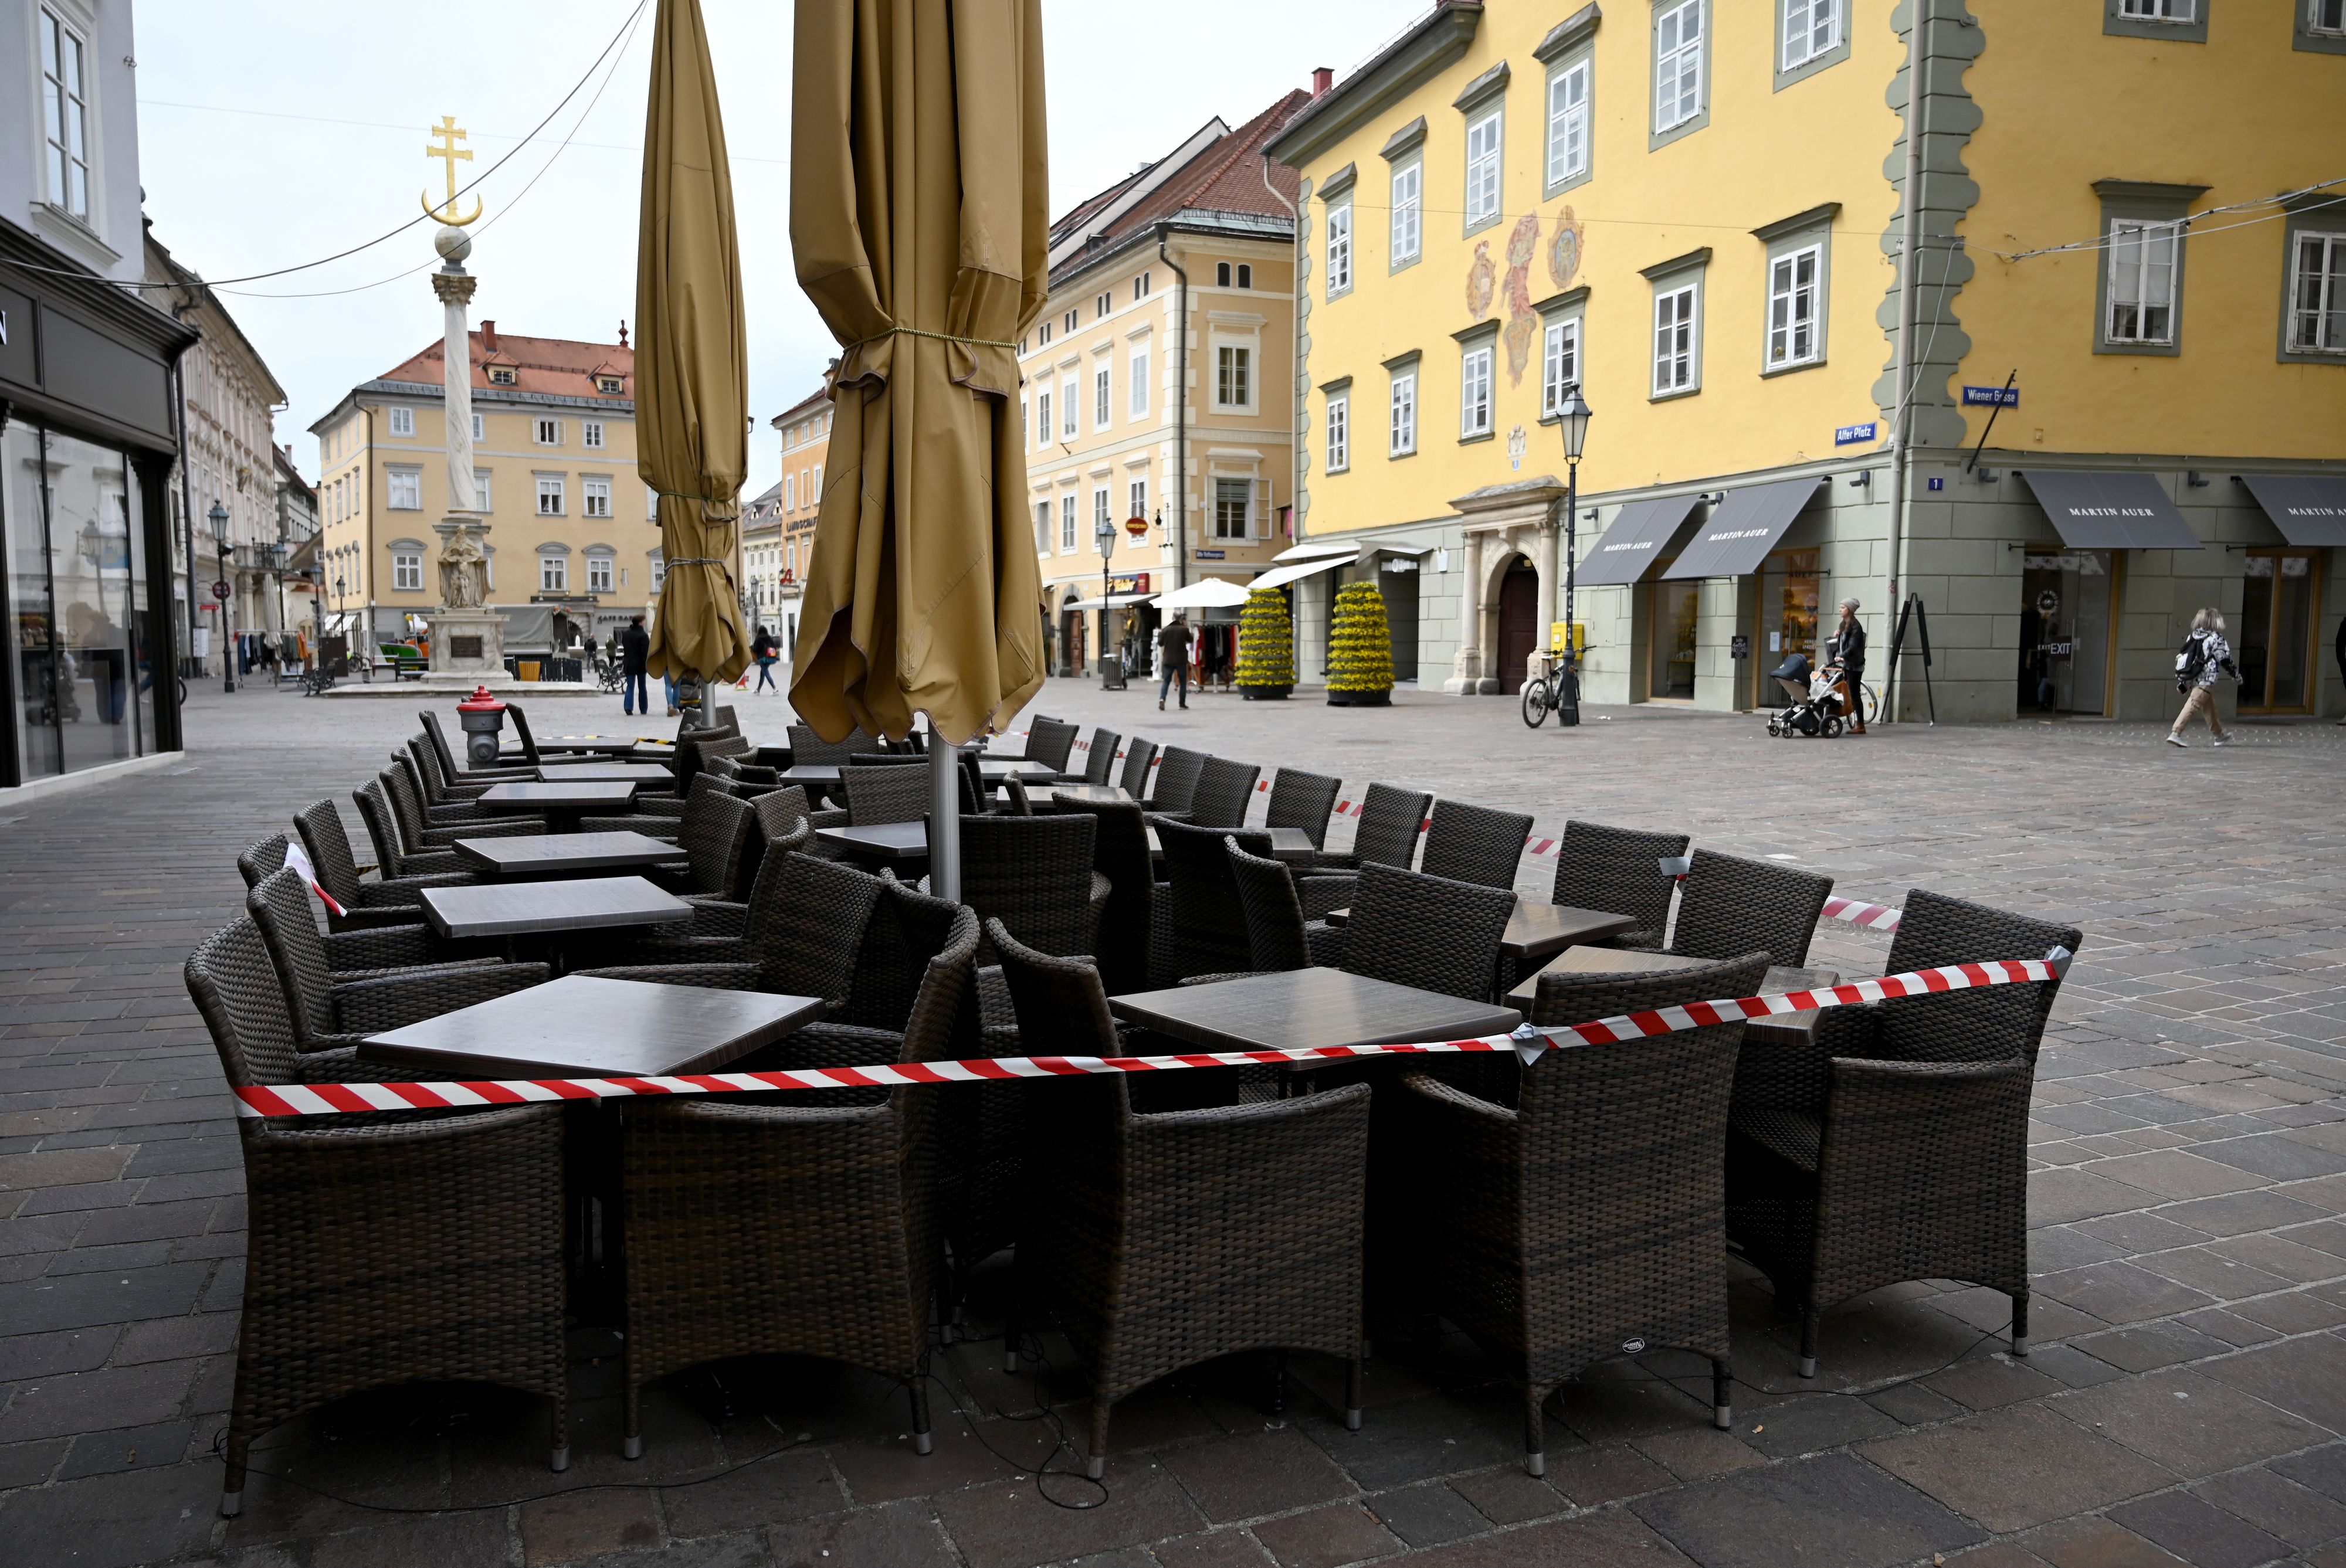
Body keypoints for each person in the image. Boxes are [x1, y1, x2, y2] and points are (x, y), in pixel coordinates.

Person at [2167, 607, 2241, 748]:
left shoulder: (2193, 636)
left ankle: (2219, 735)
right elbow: (2225, 660)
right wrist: (2236, 676)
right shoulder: (2216, 639)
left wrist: (2184, 681)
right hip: (2207, 678)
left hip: (2194, 677)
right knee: (2194, 704)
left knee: (2209, 707)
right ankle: (2176, 733)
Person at [1824, 596, 1867, 735]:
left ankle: (1860, 725)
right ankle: (1831, 718)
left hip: (1854, 666)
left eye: (1843, 608)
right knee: (1836, 689)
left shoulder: (1856, 626)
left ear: (1849, 610)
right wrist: (1838, 634)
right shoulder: (1844, 623)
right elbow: (1843, 640)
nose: (1840, 610)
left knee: (1855, 695)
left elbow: (1853, 647)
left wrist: (1842, 656)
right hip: (1846, 664)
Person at [1157, 612, 1193, 710]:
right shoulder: (1184, 629)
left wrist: (1161, 635)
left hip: (1168, 659)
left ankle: (1162, 699)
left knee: (1166, 681)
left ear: (1173, 618)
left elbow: (1160, 644)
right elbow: (1191, 640)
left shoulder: (1166, 630)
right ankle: (1182, 704)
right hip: (1181, 659)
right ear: (1181, 619)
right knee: (1183, 682)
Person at [619, 613, 650, 717]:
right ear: (641, 622)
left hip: (629, 663)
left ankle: (628, 707)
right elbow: (645, 652)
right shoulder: (644, 636)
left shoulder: (626, 634)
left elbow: (625, 646)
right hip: (641, 665)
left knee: (630, 686)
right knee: (642, 687)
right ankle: (643, 708)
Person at [751, 624, 780, 692]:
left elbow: (755, 650)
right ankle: (758, 690)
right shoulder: (770, 638)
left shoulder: (758, 639)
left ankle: (775, 688)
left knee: (766, 673)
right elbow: (775, 647)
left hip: (763, 659)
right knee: (763, 673)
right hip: (771, 658)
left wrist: (752, 647)